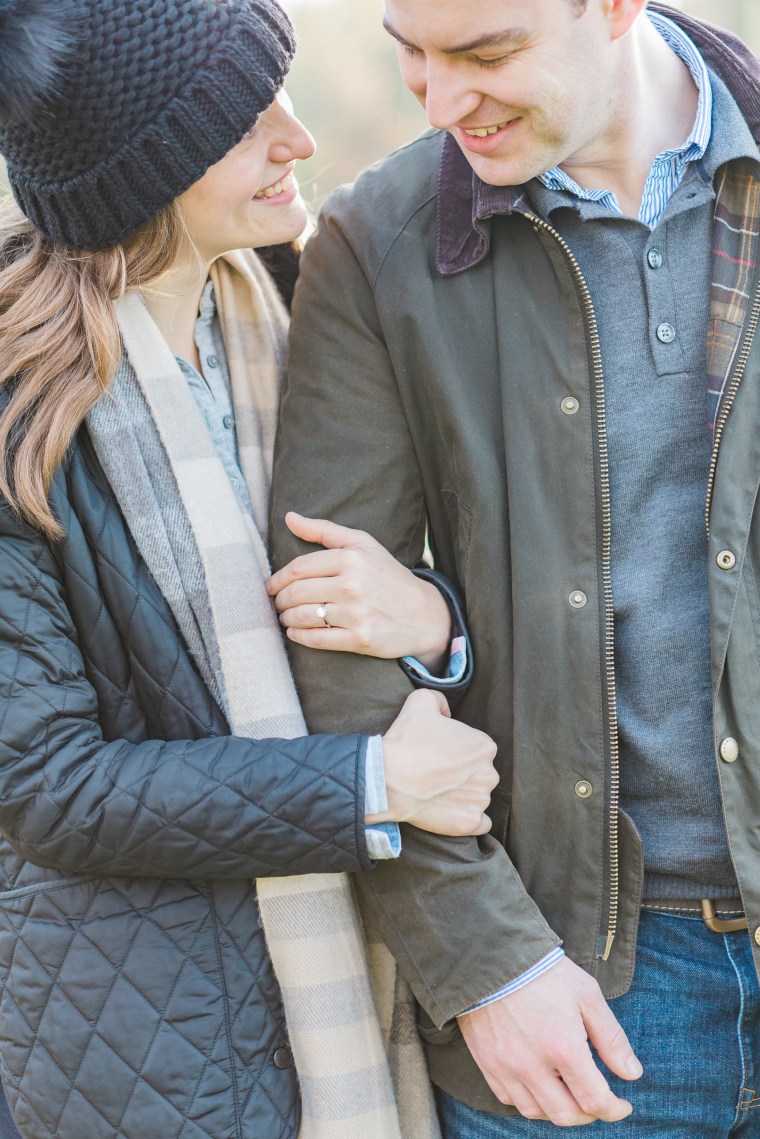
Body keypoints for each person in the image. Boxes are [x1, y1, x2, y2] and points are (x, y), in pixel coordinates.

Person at [0, 1, 501, 1137]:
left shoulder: (299, 312)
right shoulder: (18, 416)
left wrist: (431, 618)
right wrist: (367, 787)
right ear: (148, 170)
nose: (298, 138)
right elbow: (45, 784)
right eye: (242, 121)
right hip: (139, 1043)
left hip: (350, 986)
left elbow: (414, 576)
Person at [270, 0, 760, 1134]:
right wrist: (488, 963)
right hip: (586, 999)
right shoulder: (374, 246)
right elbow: (334, 641)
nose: (441, 104)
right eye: (410, 53)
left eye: (484, 55)